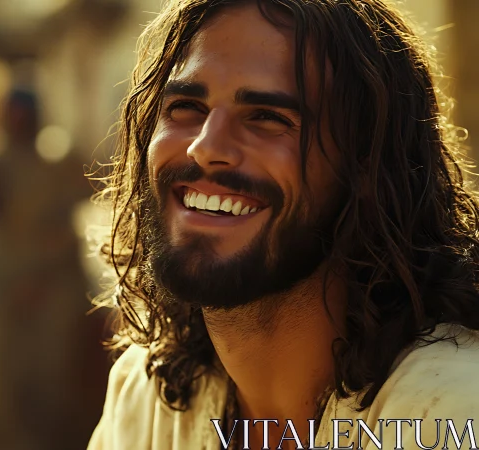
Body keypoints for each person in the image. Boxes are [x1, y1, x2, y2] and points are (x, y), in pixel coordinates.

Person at [88, 1, 479, 449]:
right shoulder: (149, 399)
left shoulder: (450, 412)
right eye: (186, 106)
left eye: (267, 118)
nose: (204, 147)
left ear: (368, 169)